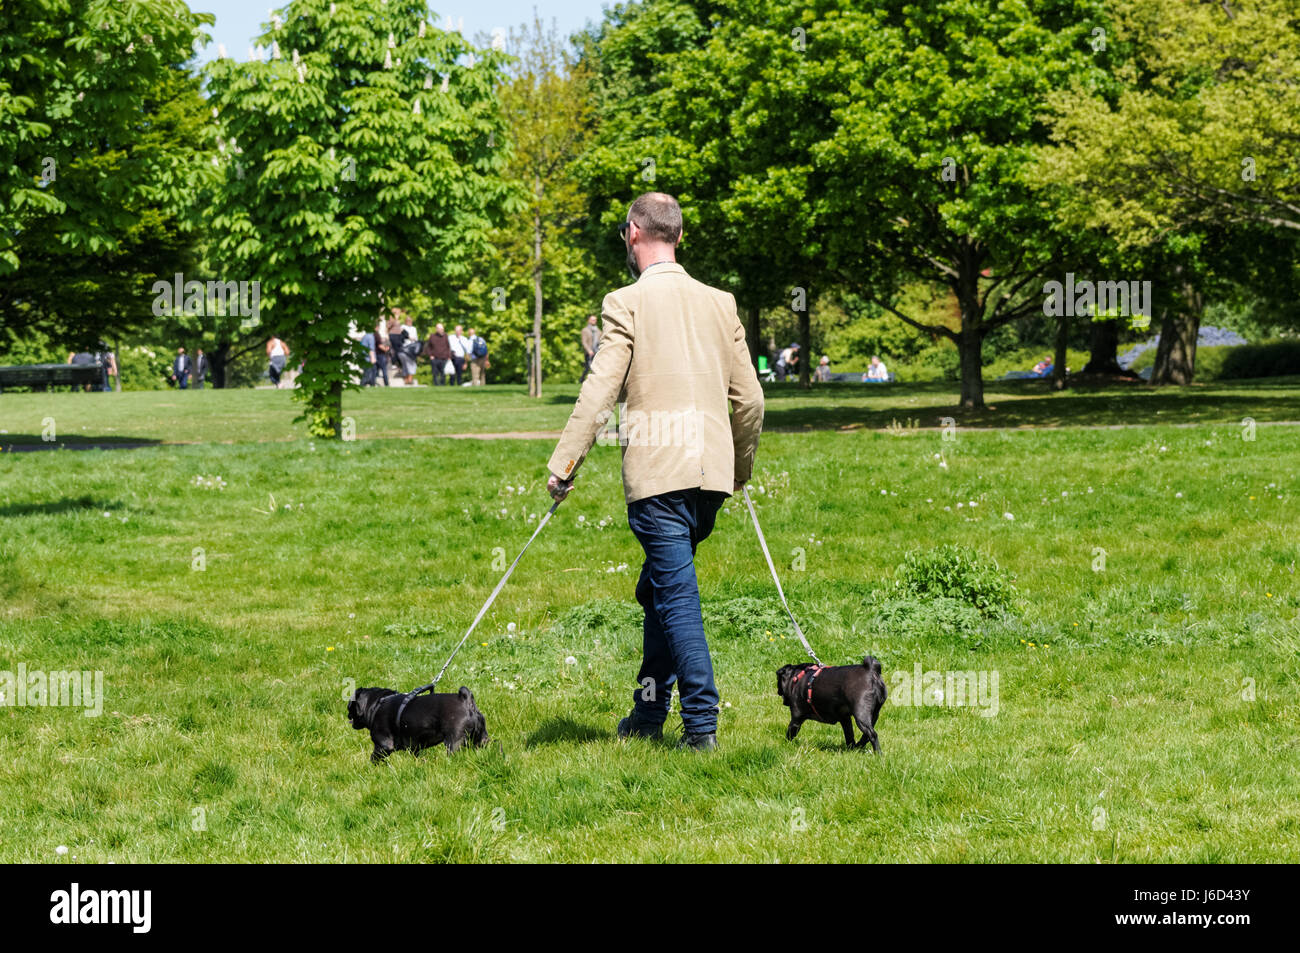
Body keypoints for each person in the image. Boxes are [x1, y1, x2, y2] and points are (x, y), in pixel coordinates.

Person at [545, 191, 764, 752]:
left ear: (633, 233)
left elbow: (601, 389)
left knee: (677, 598)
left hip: (660, 480)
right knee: (659, 592)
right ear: (679, 236)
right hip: (710, 480)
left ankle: (701, 726)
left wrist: (564, 464)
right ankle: (647, 713)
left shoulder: (625, 302)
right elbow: (751, 401)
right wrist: (738, 468)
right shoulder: (721, 302)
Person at [398, 312, 420, 385]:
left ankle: (409, 379)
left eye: (410, 321)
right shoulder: (403, 327)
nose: (409, 322)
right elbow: (403, 334)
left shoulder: (414, 328)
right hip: (405, 349)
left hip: (412, 349)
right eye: (408, 321)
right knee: (407, 364)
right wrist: (409, 337)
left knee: (411, 364)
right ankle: (407, 379)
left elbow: (416, 339)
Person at [580, 313, 601, 381]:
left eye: (595, 320)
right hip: (589, 352)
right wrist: (589, 350)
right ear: (588, 320)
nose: (594, 321)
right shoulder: (585, 330)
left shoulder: (599, 331)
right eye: (592, 320)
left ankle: (594, 380)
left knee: (595, 367)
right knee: (588, 367)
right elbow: (584, 342)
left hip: (597, 351)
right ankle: (582, 379)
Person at [374, 317, 391, 386]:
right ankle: (386, 383)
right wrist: (386, 349)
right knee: (384, 370)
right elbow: (379, 345)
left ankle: (373, 383)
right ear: (377, 326)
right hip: (380, 354)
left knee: (376, 370)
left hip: (377, 354)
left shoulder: (374, 334)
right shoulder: (376, 334)